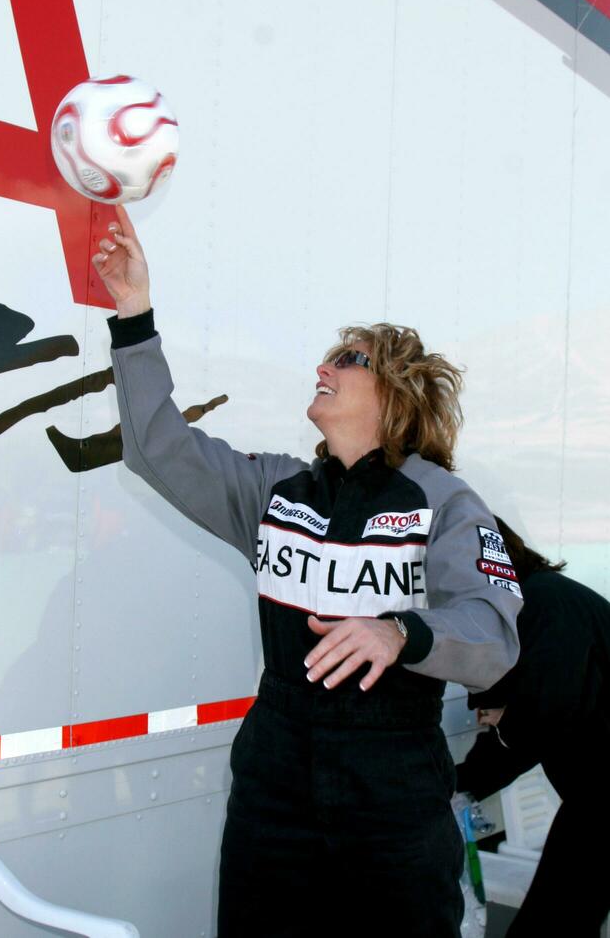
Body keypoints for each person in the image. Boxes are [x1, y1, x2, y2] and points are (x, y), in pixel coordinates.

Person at [92, 205, 521, 938]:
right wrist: (134, 315)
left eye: (348, 360)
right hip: (274, 786)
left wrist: (400, 633)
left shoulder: (445, 502)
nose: (323, 368)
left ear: (397, 395)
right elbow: (157, 446)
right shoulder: (275, 490)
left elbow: (492, 635)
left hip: (393, 794)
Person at [456, 517, 610, 938]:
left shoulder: (544, 604)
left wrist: (461, 780)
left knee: (549, 924)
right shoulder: (545, 603)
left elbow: (543, 713)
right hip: (595, 797)